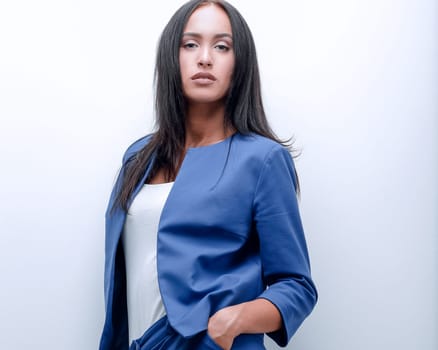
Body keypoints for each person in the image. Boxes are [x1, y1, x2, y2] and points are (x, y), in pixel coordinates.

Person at [98, 1, 317, 349]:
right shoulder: (138, 158)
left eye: (221, 46)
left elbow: (297, 285)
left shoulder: (262, 160)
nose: (205, 58)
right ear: (173, 56)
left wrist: (232, 321)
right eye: (190, 44)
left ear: (239, 62)